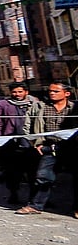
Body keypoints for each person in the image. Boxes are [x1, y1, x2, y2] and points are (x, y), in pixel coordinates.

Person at [18, 82, 77, 216]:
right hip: (48, 147)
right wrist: (36, 144)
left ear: (67, 93)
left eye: (56, 91)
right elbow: (31, 126)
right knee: (43, 177)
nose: (52, 93)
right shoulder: (41, 107)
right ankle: (36, 206)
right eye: (50, 91)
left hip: (72, 148)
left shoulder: (74, 108)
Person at [0, 82, 39, 206]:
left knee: (34, 172)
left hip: (31, 144)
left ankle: (35, 198)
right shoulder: (4, 104)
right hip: (11, 144)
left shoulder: (35, 103)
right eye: (14, 92)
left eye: (20, 91)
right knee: (13, 172)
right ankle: (14, 194)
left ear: (26, 92)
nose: (17, 94)